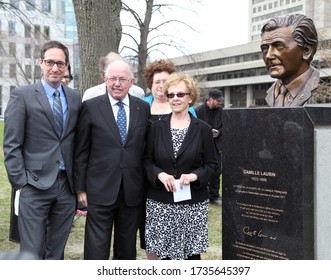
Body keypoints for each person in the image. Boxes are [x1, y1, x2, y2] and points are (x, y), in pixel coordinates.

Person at [3, 40, 82, 259]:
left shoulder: (75, 98)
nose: (55, 68)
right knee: (32, 252)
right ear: (41, 63)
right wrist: (20, 181)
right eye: (50, 62)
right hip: (34, 185)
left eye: (60, 63)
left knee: (56, 252)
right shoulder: (23, 95)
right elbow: (11, 143)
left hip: (66, 187)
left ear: (66, 66)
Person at [73, 60, 151, 260]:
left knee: (126, 250)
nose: (117, 83)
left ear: (131, 82)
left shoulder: (142, 108)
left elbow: (145, 150)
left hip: (132, 191)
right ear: (105, 80)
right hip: (99, 190)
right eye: (112, 78)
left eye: (122, 79)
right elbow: (81, 150)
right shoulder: (90, 107)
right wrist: (80, 188)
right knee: (96, 250)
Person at [143, 72, 218, 260]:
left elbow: (212, 166)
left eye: (180, 94)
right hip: (161, 204)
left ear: (190, 97)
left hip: (192, 205)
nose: (175, 99)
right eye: (171, 95)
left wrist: (194, 176)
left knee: (190, 258)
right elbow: (146, 161)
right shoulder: (156, 128)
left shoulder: (203, 130)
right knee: (163, 259)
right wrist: (159, 175)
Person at [260, 14, 320, 107]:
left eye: (279, 45)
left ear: (306, 50)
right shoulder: (271, 94)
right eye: (265, 48)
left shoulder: (320, 88)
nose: (268, 56)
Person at [195, 88, 223, 206]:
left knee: (217, 171)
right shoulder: (198, 111)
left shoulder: (221, 110)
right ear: (210, 99)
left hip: (216, 146)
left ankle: (214, 196)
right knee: (203, 171)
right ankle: (204, 195)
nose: (220, 103)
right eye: (218, 101)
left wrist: (219, 132)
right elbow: (194, 127)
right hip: (202, 146)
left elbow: (225, 125)